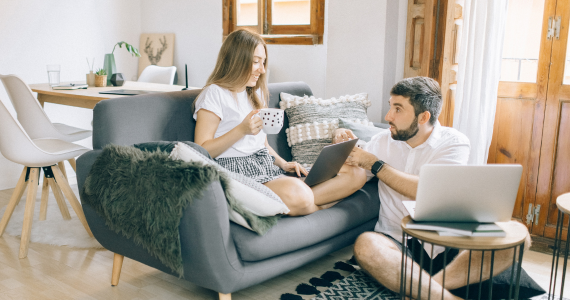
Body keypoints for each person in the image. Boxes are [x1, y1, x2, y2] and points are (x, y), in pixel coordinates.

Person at [333, 77, 530, 300]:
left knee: (518, 235)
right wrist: (340, 145)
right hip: (396, 240)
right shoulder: (380, 141)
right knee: (366, 244)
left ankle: (428, 289)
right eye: (390, 106)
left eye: (398, 109)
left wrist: (375, 164)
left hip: (445, 240)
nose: (388, 116)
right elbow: (351, 176)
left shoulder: (454, 142)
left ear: (423, 116)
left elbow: (425, 190)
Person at [193, 29, 366, 216]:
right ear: (237, 59)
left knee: (356, 173)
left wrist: (283, 164)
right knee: (300, 194)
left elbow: (262, 144)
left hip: (266, 166)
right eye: (256, 61)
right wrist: (241, 130)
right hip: (238, 174)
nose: (262, 69)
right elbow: (201, 151)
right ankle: (314, 203)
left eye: (264, 62)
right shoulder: (214, 94)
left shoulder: (255, 93)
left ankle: (302, 204)